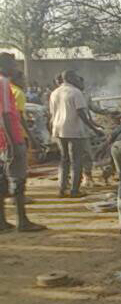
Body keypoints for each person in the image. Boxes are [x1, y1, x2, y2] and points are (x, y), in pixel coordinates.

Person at [0, 54, 46, 232]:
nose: (16, 68)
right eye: (13, 64)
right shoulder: (4, 82)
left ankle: (2, 223)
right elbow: (5, 114)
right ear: (4, 66)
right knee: (18, 180)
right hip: (11, 139)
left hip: (3, 141)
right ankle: (22, 221)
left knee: (2, 181)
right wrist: (12, 142)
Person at [49, 70, 103, 197]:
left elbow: (52, 114)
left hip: (58, 129)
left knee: (64, 159)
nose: (78, 80)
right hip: (74, 130)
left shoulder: (54, 93)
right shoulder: (76, 92)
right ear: (71, 78)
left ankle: (62, 189)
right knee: (76, 160)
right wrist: (95, 129)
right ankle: (74, 190)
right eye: (76, 78)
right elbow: (81, 113)